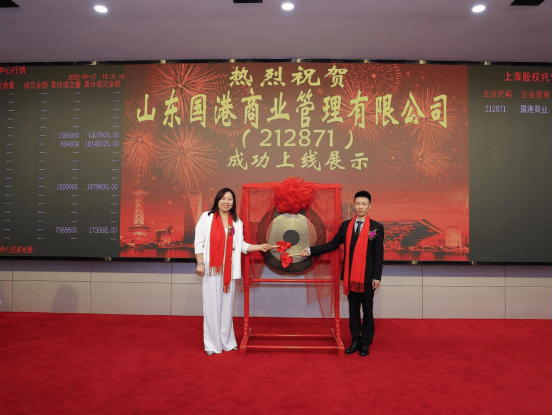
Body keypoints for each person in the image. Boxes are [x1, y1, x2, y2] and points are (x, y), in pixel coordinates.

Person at [300, 190, 384, 357]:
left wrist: (377, 276)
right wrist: (310, 250)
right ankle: (355, 340)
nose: (360, 207)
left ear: (370, 206)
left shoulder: (375, 228)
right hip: (350, 277)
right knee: (353, 311)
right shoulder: (346, 226)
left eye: (364, 204)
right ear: (354, 205)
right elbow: (333, 244)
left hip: (368, 278)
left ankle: (365, 342)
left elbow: (378, 254)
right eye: (358, 204)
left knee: (367, 311)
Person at [194, 188, 270, 355]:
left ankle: (227, 342)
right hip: (211, 270)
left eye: (230, 199)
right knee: (212, 307)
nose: (226, 202)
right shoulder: (206, 217)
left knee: (227, 308)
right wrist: (200, 263)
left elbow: (241, 245)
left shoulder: (236, 222)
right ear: (217, 200)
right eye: (223, 198)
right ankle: (212, 345)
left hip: (230, 271)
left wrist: (260, 247)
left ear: (233, 202)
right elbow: (199, 243)